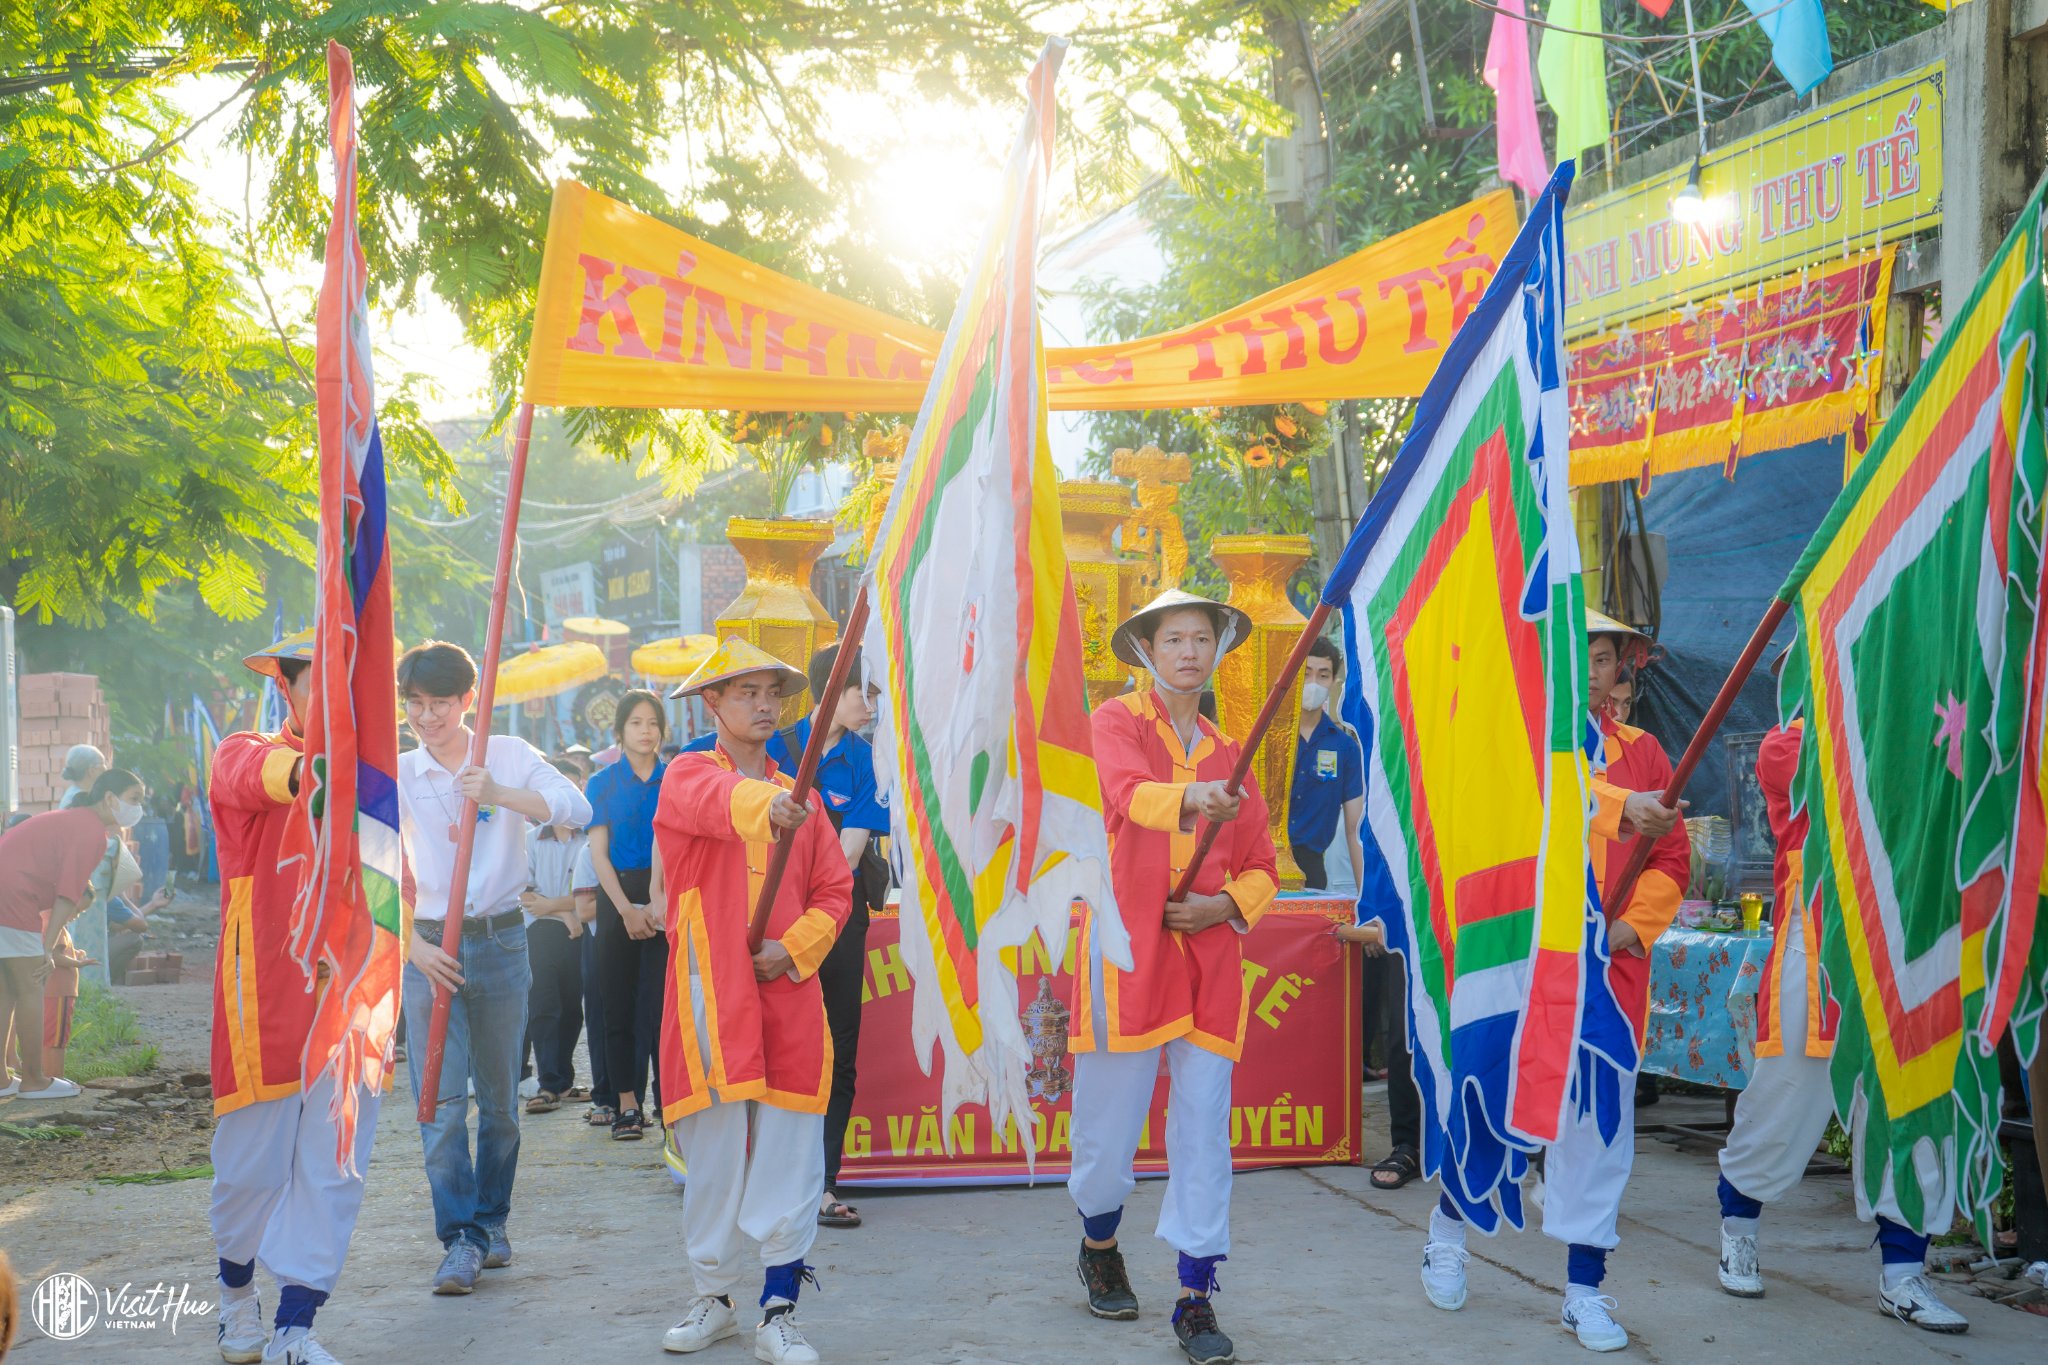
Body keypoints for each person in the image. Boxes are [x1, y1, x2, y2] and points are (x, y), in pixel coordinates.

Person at [1420, 608, 1691, 1353]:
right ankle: (1448, 1231)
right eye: (1575, 658)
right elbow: (1546, 796)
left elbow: (1671, 859)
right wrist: (1618, 810)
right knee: (1489, 1096)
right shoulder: (1513, 740)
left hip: (1608, 974)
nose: (1590, 674)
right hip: (1517, 963)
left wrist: (1630, 927)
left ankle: (1584, 1288)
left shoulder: (1643, 753)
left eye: (1602, 660)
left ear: (1618, 669)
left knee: (1597, 1127)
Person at [1068, 590, 1278, 1365]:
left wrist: (1224, 904)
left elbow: (1262, 865)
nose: (1189, 652)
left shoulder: (1233, 751)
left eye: (1201, 639)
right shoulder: (1114, 722)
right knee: (1105, 1134)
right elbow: (1126, 793)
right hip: (1128, 955)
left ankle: (1195, 1293)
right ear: (1146, 651)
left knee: (1203, 1129)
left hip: (1211, 963)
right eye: (1174, 639)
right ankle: (1099, 1243)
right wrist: (1193, 796)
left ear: (1217, 650)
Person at [1710, 710, 1970, 1331]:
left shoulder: (1914, 717)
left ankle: (1904, 1274)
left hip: (1904, 937)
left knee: (1910, 1100)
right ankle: (1738, 1228)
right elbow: (1851, 773)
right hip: (1819, 939)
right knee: (1786, 1097)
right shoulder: (1788, 741)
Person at [650, 639, 852, 1365]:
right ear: (712, 702)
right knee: (713, 1155)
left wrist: (792, 948)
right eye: (747, 693)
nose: (764, 706)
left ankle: (779, 1309)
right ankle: (713, 1298)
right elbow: (717, 803)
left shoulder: (807, 799)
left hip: (786, 992)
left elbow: (835, 891)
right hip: (711, 995)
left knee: (791, 1150)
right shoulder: (687, 774)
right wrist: (775, 803)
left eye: (773, 693)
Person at [207, 631, 383, 1365]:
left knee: (333, 1166)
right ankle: (236, 1297)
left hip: (352, 997)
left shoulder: (379, 778)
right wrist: (334, 767)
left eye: (351, 688)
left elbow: (399, 877)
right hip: (266, 997)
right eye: (322, 686)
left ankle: (295, 1327)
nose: (338, 702)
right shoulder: (244, 750)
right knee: (250, 1167)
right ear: (288, 688)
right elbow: (259, 777)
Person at [395, 641, 591, 1296]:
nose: (428, 717)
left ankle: (491, 1219)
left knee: (501, 1104)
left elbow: (577, 809)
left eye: (440, 703)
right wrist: (411, 947)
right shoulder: (400, 773)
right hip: (430, 951)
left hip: (504, 943)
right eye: (416, 704)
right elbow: (368, 868)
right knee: (440, 1105)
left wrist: (500, 793)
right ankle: (460, 1238)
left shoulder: (506, 753)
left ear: (468, 700)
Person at [776, 643, 889, 1231]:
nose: (870, 704)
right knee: (776, 1044)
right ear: (828, 690)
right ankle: (768, 1176)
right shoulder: (774, 747)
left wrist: (809, 917)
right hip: (770, 918)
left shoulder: (869, 761)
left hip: (839, 918)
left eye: (874, 693)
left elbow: (849, 853)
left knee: (838, 1048)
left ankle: (822, 1183)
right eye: (861, 692)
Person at [0, 768, 139, 1101]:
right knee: (32, 986)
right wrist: (46, 949)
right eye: (134, 798)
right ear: (110, 798)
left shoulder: (72, 819)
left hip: (7, 891)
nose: (138, 808)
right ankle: (34, 1079)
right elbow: (67, 897)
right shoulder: (92, 832)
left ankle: (2, 1079)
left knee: (6, 989)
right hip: (14, 896)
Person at [584, 688, 670, 1140]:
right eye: (636, 723)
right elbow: (598, 855)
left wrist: (658, 902)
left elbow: (677, 844)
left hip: (666, 895)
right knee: (616, 1005)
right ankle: (627, 1106)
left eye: (653, 723)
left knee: (662, 1009)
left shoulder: (674, 779)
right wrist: (625, 911)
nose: (645, 731)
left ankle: (670, 1105)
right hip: (614, 894)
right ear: (620, 731)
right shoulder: (601, 783)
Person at [521, 758, 588, 1115]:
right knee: (544, 1006)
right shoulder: (531, 840)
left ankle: (562, 1081)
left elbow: (592, 893)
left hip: (580, 932)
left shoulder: (589, 840)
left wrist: (559, 906)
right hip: (540, 932)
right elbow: (526, 895)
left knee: (572, 1010)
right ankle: (548, 1083)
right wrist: (563, 912)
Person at [1288, 637, 1364, 894]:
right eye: (1306, 673)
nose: (1313, 683)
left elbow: (1354, 829)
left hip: (1313, 871)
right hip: (1262, 868)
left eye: (1323, 675)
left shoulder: (1345, 748)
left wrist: (1364, 896)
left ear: (1333, 681)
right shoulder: (1271, 737)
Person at [57, 744, 107, 809]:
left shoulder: (75, 795)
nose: (106, 769)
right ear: (92, 771)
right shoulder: (80, 802)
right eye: (103, 764)